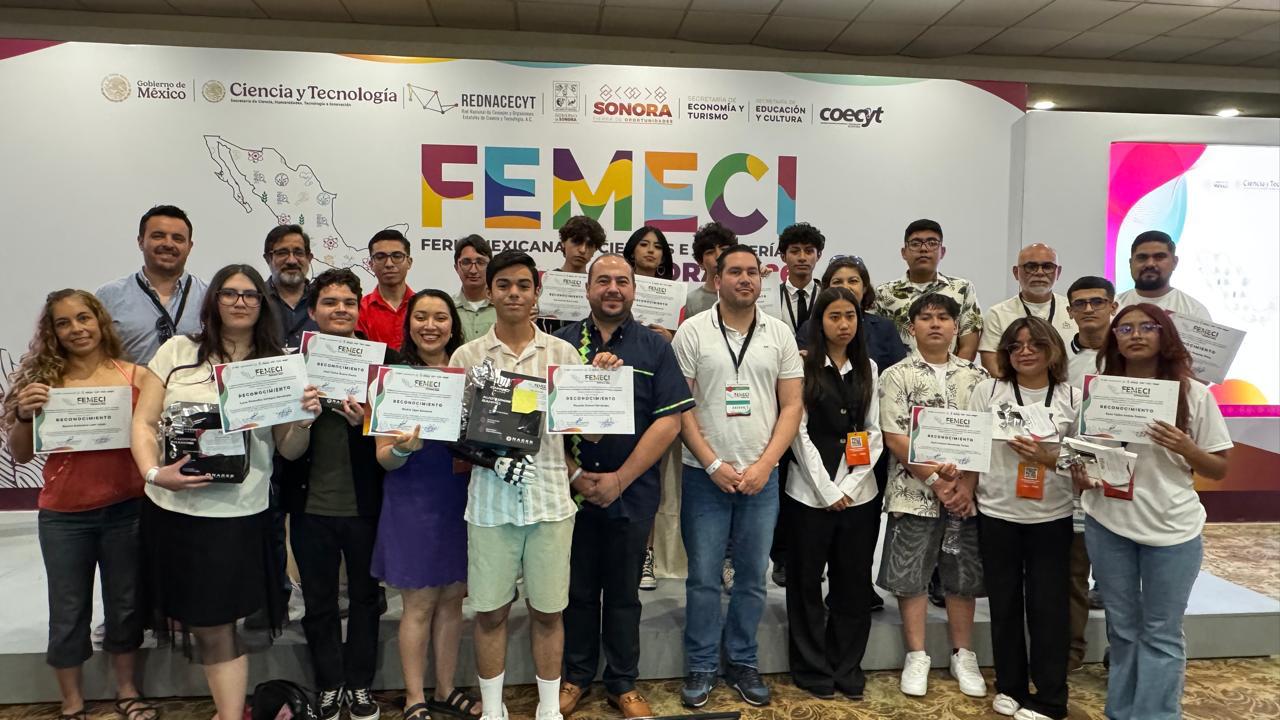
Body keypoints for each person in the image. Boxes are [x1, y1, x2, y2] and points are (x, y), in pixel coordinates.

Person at [130, 264, 318, 720]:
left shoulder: (277, 366)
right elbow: (143, 423)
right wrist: (154, 473)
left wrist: (303, 419)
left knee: (218, 622)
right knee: (200, 620)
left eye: (250, 294)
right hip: (173, 510)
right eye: (229, 293)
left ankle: (230, 713)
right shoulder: (177, 351)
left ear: (262, 304)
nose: (240, 302)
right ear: (213, 300)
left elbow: (289, 450)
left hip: (237, 516)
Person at [448, 250, 596, 720]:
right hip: (490, 505)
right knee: (490, 612)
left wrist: (602, 388)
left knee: (549, 612)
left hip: (550, 500)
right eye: (504, 285)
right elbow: (455, 435)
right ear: (490, 292)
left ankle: (549, 709)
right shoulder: (467, 356)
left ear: (537, 292)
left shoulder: (562, 354)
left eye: (523, 285)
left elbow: (590, 433)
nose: (514, 293)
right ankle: (494, 710)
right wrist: (490, 458)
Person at [3, 290, 154, 720]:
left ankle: (127, 690)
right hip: (64, 516)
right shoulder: (42, 384)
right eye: (63, 323)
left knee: (126, 606)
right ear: (52, 332)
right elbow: (20, 455)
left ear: (100, 321)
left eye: (83, 318)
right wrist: (25, 416)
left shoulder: (136, 377)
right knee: (68, 610)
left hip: (127, 509)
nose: (76, 329)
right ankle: (72, 701)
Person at [554, 254, 694, 719]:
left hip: (631, 492)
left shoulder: (655, 348)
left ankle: (622, 682)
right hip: (569, 492)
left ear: (634, 289)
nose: (612, 288)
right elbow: (541, 423)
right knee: (575, 592)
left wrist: (619, 479)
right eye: (603, 281)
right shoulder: (560, 344)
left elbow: (669, 422)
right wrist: (575, 475)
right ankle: (575, 676)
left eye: (621, 281)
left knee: (623, 595)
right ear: (587, 288)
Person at [1076, 304, 1232, 720]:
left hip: (1172, 529)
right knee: (1123, 628)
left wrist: (1186, 447)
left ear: (1165, 335)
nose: (1136, 335)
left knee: (1161, 631)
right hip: (1108, 523)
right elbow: (1086, 457)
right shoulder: (1101, 391)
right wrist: (1082, 471)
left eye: (1148, 327)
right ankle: (1121, 710)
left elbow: (1218, 468)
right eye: (1125, 328)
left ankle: (1156, 714)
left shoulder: (1194, 394)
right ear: (1114, 339)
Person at [671, 244, 803, 708]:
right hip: (704, 476)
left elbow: (792, 406)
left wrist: (765, 465)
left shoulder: (779, 333)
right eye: (735, 272)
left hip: (761, 478)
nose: (745, 279)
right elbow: (681, 407)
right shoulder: (692, 332)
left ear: (761, 279)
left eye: (752, 272)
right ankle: (702, 664)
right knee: (704, 578)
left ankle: (744, 661)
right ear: (717, 278)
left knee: (751, 577)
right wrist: (712, 463)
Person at [280, 269, 386, 720]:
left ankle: (359, 684)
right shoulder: (292, 366)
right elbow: (286, 450)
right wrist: (302, 419)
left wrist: (364, 423)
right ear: (312, 310)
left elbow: (395, 437)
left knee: (365, 599)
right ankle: (329, 684)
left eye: (348, 302)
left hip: (365, 506)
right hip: (311, 508)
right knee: (319, 601)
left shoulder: (382, 364)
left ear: (359, 309)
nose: (340, 309)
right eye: (329, 302)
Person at [965, 318, 1079, 720]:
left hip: (1051, 514)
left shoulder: (1071, 396)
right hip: (997, 512)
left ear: (1053, 349)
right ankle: (1010, 686)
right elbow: (972, 447)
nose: (1025, 352)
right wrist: (962, 487)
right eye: (1015, 346)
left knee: (1049, 608)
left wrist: (1047, 456)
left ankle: (1051, 696)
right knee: (1004, 603)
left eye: (1034, 344)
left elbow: (1082, 457)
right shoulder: (988, 390)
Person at [876, 293, 989, 699]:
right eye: (926, 318)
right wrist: (938, 482)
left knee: (962, 577)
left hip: (965, 496)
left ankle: (963, 654)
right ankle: (917, 655)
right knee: (911, 576)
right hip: (914, 492)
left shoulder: (978, 377)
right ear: (912, 327)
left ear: (957, 327)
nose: (936, 324)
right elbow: (894, 436)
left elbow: (985, 436)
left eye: (944, 317)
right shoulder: (896, 375)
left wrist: (965, 487)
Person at [372, 290, 477, 720]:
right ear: (408, 324)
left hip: (461, 498)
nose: (430, 326)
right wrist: (403, 448)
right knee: (418, 604)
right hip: (413, 498)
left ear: (453, 325)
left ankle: (446, 689)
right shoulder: (392, 377)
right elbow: (383, 457)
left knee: (452, 599)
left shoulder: (470, 373)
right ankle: (415, 695)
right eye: (421, 317)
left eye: (439, 317)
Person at [784, 286, 882, 700]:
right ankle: (811, 666)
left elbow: (874, 432)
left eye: (850, 316)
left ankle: (846, 664)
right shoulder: (802, 365)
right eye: (834, 316)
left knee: (853, 583)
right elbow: (797, 432)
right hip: (808, 495)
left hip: (859, 496)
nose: (844, 325)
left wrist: (849, 485)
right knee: (805, 583)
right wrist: (826, 489)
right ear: (818, 322)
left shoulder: (869, 367)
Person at [1064, 275, 1119, 663]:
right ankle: (1071, 652)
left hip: (1125, 479)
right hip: (1075, 478)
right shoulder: (1060, 360)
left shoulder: (1133, 357)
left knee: (1120, 578)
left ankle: (1122, 652)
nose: (1088, 309)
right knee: (1073, 573)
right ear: (1069, 312)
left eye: (1097, 302)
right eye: (1080, 303)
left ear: (1113, 306)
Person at [96, 205, 208, 365]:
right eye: (158, 236)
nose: (168, 244)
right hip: (130, 381)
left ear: (189, 247)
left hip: (198, 381)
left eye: (178, 238)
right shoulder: (109, 296)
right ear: (141, 242)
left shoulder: (210, 295)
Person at [874, 219, 982, 360]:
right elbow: (877, 344)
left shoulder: (962, 289)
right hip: (898, 372)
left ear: (942, 252)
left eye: (932, 243)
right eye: (915, 244)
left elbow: (969, 346)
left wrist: (954, 373)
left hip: (952, 372)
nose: (923, 249)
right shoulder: (884, 293)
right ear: (904, 253)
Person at [978, 244, 1077, 377]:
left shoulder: (1075, 310)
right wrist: (1026, 387)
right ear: (1016, 272)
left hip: (1067, 386)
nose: (1040, 273)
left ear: (1058, 272)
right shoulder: (997, 314)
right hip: (1014, 388)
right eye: (1031, 266)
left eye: (1047, 266)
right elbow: (993, 364)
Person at [1115, 231, 1212, 320]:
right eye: (1142, 257)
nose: (1150, 264)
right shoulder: (1112, 306)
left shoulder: (1194, 311)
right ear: (1130, 263)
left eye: (1159, 257)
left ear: (1174, 262)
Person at [537, 216, 606, 336]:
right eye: (576, 242)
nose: (582, 250)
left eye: (590, 245)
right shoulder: (544, 282)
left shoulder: (600, 287)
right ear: (563, 243)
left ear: (595, 249)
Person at [263, 224, 317, 351]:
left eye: (299, 253)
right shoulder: (254, 301)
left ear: (309, 258)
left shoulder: (323, 301)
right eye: (282, 253)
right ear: (268, 259)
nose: (292, 261)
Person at [358, 229, 415, 350]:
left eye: (397, 256)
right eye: (380, 257)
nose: (389, 264)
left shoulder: (422, 306)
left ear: (409, 262)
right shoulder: (360, 310)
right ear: (371, 264)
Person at [776, 222, 824, 334]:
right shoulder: (772, 297)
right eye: (794, 251)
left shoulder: (826, 295)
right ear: (783, 256)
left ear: (818, 255)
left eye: (809, 251)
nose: (802, 258)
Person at [683, 222, 737, 319]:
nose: (718, 256)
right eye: (710, 252)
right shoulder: (690, 301)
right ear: (700, 263)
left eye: (724, 249)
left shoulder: (746, 293)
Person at [453, 234, 497, 342]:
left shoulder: (503, 307)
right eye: (466, 262)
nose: (473, 270)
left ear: (491, 267)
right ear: (456, 267)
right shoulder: (448, 308)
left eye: (481, 262)